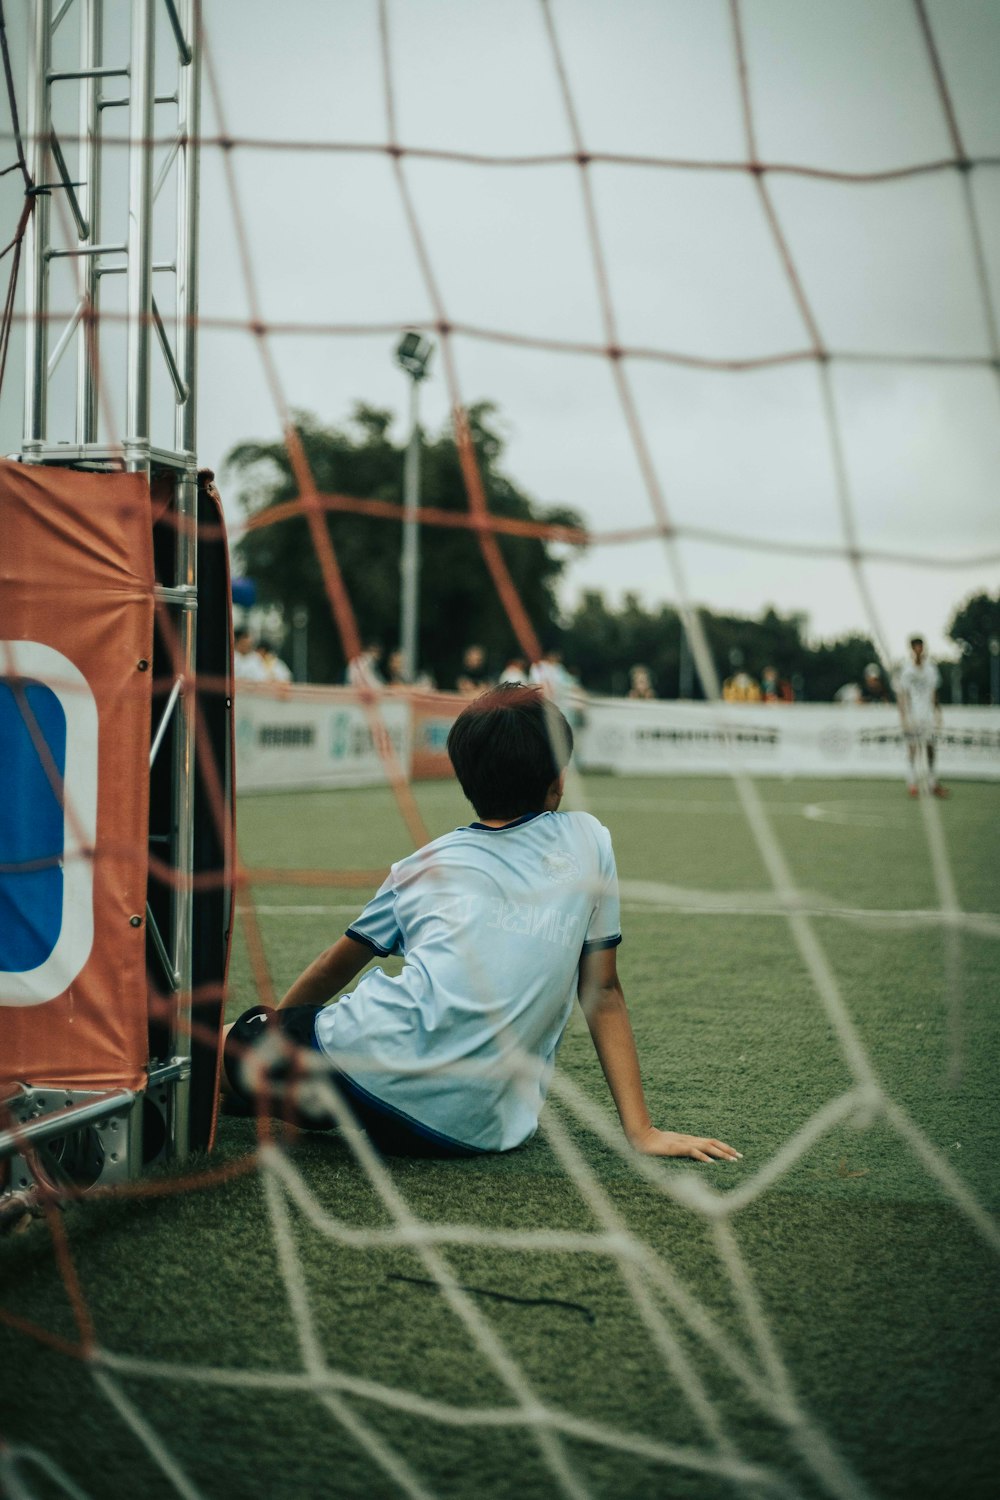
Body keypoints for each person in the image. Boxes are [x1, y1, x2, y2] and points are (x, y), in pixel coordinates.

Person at [222, 685, 740, 1164]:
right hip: (484, 1130)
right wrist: (642, 1132)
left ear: (464, 779)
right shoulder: (590, 841)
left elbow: (333, 965)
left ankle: (233, 1077)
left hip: (374, 1068)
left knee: (222, 1052)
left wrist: (271, 1032)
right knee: (282, 1085)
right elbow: (602, 992)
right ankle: (258, 1089)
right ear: (558, 780)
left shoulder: (422, 866)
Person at [896, 636, 948, 798]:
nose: (919, 650)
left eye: (921, 647)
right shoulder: (907, 670)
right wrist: (904, 717)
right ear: (911, 650)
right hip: (913, 716)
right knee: (913, 749)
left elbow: (934, 693)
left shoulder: (931, 669)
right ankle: (912, 784)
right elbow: (903, 695)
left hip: (928, 715)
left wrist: (937, 713)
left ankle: (932, 783)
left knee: (930, 749)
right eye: (915, 647)